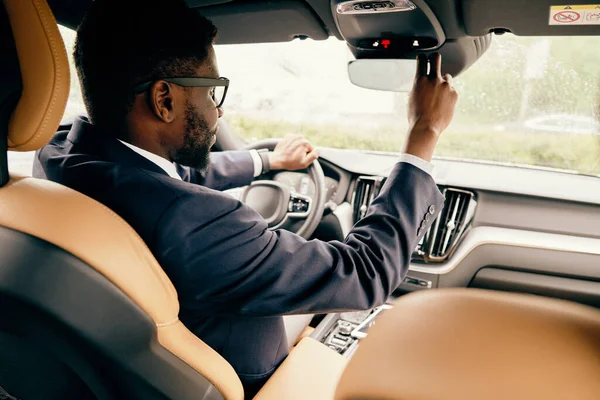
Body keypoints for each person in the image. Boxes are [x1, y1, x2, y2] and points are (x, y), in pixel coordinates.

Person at [33, 0, 457, 395]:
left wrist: (266, 160)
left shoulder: (61, 153)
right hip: (246, 376)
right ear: (164, 100)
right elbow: (367, 272)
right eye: (212, 90)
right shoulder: (193, 221)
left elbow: (165, 176)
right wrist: (424, 135)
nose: (220, 111)